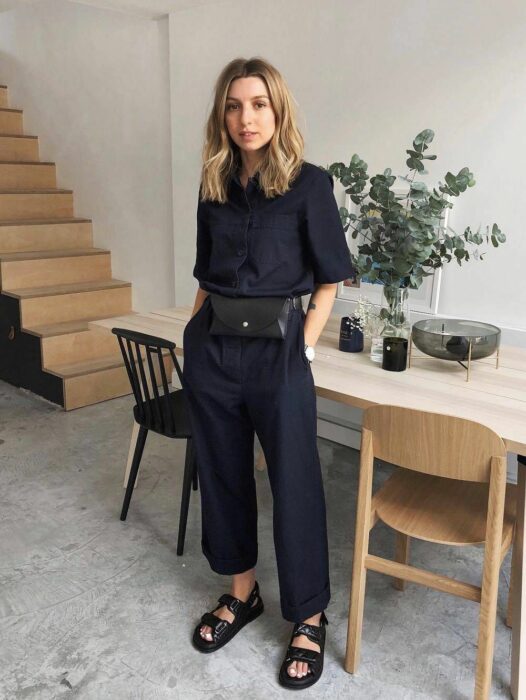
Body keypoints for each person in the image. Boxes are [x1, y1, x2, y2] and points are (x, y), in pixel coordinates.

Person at [182, 56, 354, 690]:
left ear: (277, 111)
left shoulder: (310, 184)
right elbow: (203, 275)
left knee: (296, 484)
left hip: (279, 353)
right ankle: (242, 592)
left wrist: (304, 348)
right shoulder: (213, 187)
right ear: (221, 116)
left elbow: (331, 278)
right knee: (223, 475)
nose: (245, 118)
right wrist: (189, 345)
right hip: (214, 353)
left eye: (257, 104)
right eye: (233, 106)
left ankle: (308, 616)